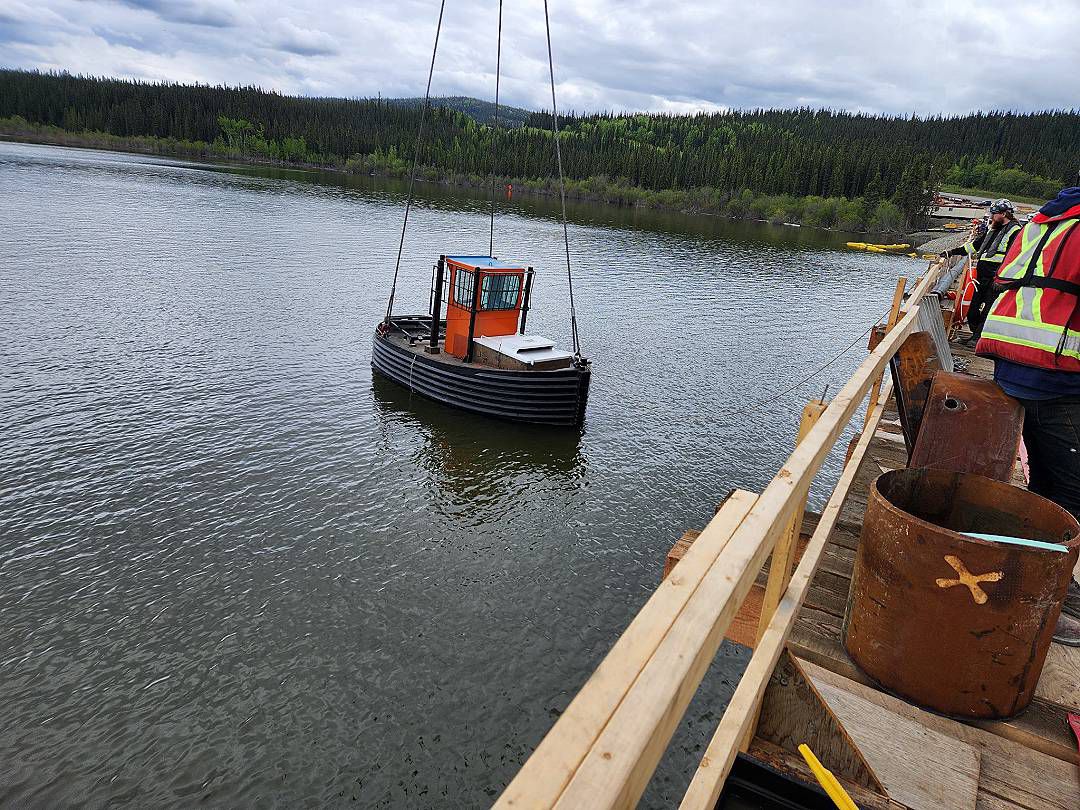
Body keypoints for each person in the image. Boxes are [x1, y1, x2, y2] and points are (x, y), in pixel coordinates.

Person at [975, 185, 1080, 645]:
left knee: (1044, 485)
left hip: (1014, 366)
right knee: (1069, 497)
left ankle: (1025, 574)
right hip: (1058, 377)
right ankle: (1038, 596)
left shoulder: (1044, 220)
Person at [945, 199, 1023, 346]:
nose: (992, 217)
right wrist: (952, 252)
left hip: (997, 277)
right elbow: (975, 246)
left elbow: (1013, 257)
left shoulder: (1016, 231)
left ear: (1004, 214)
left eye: (994, 214)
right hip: (982, 274)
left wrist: (1002, 278)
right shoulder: (993, 228)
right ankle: (976, 334)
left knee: (989, 309)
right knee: (973, 307)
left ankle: (977, 338)